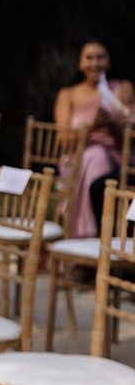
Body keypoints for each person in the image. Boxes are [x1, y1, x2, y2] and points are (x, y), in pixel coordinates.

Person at [55, 39, 134, 238]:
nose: (95, 63)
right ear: (80, 63)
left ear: (108, 62)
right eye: (89, 58)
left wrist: (111, 124)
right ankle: (90, 236)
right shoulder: (68, 94)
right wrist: (93, 126)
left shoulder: (123, 88)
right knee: (93, 156)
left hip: (117, 157)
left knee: (97, 156)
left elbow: (129, 139)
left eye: (100, 57)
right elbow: (64, 141)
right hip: (75, 156)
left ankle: (90, 236)